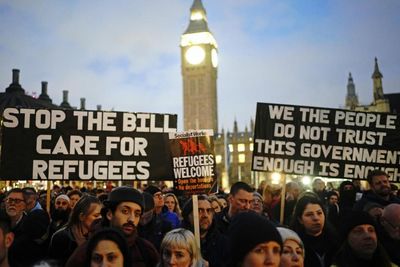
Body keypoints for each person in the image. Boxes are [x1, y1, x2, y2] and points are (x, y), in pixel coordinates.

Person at [66, 186, 159, 267]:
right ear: (110, 214)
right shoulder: (85, 251)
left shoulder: (146, 251)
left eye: (137, 214)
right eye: (125, 211)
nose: (132, 219)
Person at [48, 195, 102, 265]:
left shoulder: (100, 236)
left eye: (101, 215)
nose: (100, 218)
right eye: (96, 216)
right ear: (82, 216)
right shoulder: (61, 237)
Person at [290, 195, 339, 267]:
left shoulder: (335, 241)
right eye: (309, 214)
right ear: (300, 220)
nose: (316, 218)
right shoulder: (295, 246)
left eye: (319, 213)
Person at [6, 188, 50, 267]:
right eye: (9, 200)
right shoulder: (2, 223)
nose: (12, 203)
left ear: (24, 205)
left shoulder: (32, 226)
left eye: (17, 201)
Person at [181, 195, 227, 267]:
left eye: (209, 210)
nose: (205, 215)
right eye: (199, 210)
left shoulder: (222, 242)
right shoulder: (178, 241)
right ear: (188, 215)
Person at [140, 185, 178, 251]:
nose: (160, 197)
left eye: (161, 195)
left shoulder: (172, 217)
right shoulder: (144, 219)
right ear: (149, 200)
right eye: (157, 196)